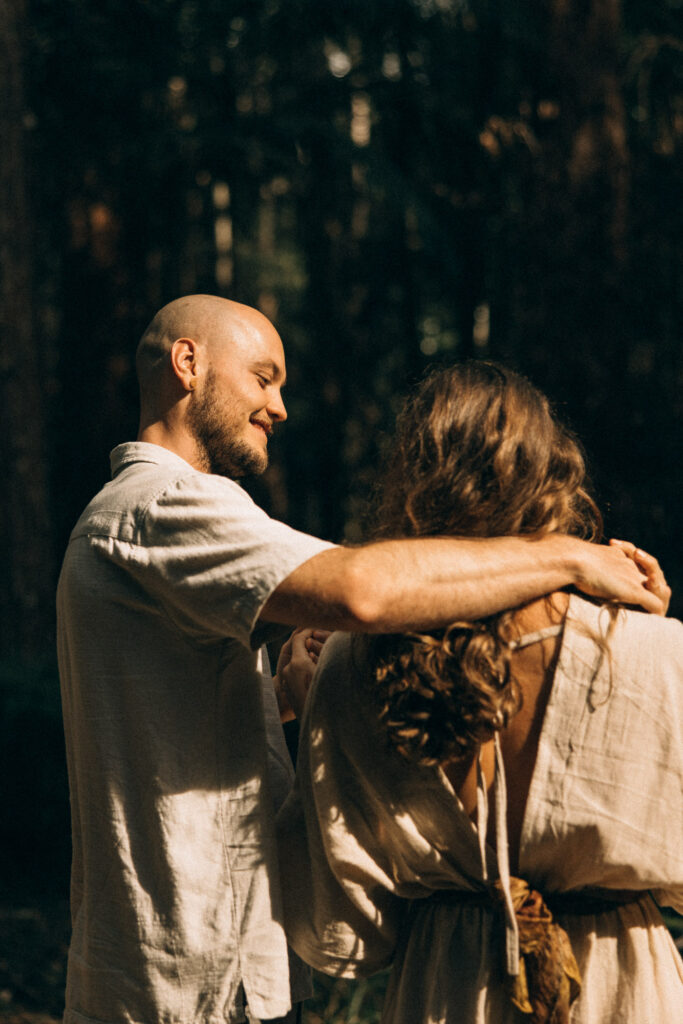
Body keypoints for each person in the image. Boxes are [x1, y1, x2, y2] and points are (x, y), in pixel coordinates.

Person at [57, 297, 667, 1024]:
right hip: (188, 970)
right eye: (263, 377)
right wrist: (566, 556)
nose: (278, 406)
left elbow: (161, 718)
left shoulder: (144, 520)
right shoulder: (160, 506)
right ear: (188, 365)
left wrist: (280, 700)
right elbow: (361, 592)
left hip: (202, 957)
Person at [277, 361, 682, 1024]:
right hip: (621, 987)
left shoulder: (347, 667)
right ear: (554, 474)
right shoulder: (656, 653)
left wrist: (316, 705)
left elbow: (348, 928)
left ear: (413, 483)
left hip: (447, 985)